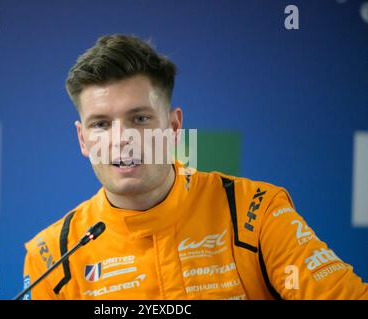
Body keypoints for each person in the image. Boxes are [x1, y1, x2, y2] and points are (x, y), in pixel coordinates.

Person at [22, 34, 368, 300]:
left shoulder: (255, 212)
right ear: (82, 140)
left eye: (139, 118)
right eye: (100, 124)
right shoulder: (53, 254)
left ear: (173, 128)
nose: (121, 139)